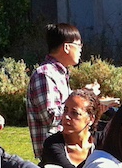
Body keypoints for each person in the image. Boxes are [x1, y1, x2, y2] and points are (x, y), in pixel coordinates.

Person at [27, 23, 82, 158]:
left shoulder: (59, 73)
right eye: (79, 45)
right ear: (67, 47)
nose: (81, 50)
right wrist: (78, 103)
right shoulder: (45, 74)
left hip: (66, 148)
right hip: (54, 152)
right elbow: (49, 117)